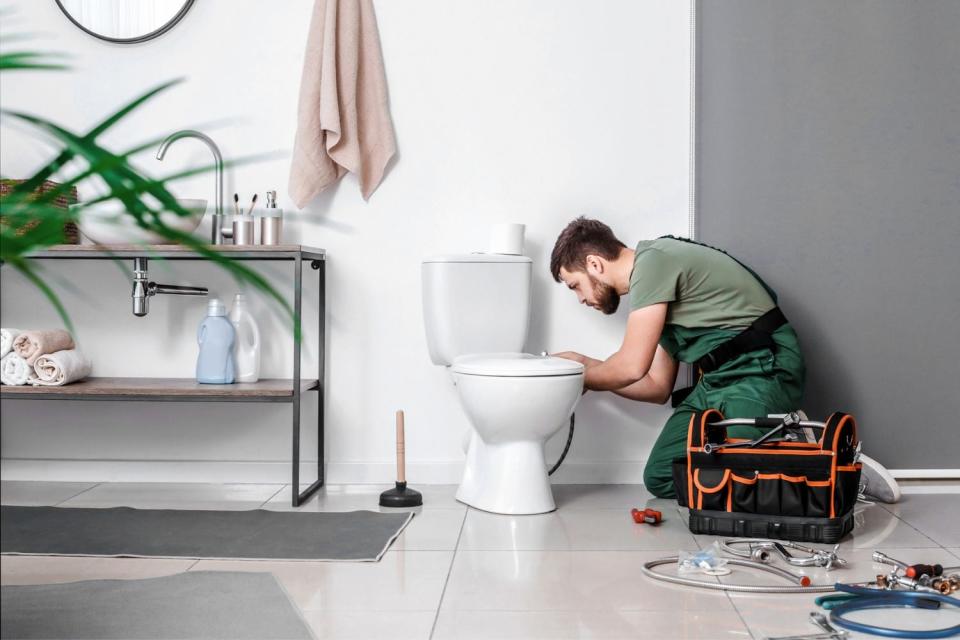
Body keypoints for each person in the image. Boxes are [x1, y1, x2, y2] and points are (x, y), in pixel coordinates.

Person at [549, 217, 899, 503]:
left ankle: (817, 461)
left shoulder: (653, 263)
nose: (580, 299)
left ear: (594, 264)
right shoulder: (652, 291)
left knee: (743, 469)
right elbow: (655, 386)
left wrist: (579, 373)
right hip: (716, 383)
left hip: (761, 369)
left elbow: (629, 367)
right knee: (660, 475)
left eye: (575, 285)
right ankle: (774, 449)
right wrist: (588, 371)